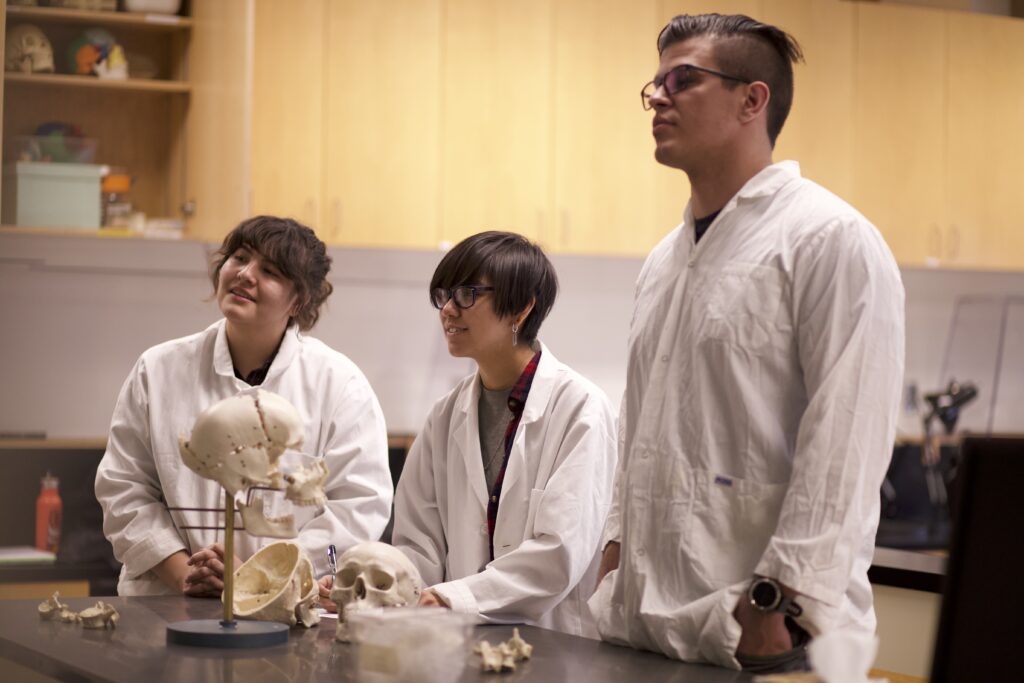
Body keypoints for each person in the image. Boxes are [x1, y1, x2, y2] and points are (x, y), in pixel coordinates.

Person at [588, 13, 905, 673]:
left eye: (684, 79)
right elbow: (640, 421)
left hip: (767, 637)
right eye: (654, 85)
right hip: (650, 624)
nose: (659, 98)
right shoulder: (664, 262)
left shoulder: (829, 240)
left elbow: (846, 438)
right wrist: (615, 551)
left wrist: (779, 603)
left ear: (751, 100)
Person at [333, 231, 615, 637]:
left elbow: (558, 554)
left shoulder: (580, 408)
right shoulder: (445, 416)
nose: (448, 309)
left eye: (467, 294)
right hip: (458, 645)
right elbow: (419, 546)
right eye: (443, 295)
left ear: (521, 306)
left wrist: (453, 598)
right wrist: (377, 586)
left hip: (554, 643)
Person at [95, 215, 393, 596]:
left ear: (299, 300)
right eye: (239, 257)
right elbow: (123, 488)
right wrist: (185, 573)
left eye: (270, 271)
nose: (245, 274)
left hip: (284, 608)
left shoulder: (340, 385)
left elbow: (358, 513)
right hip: (165, 601)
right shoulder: (158, 370)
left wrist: (259, 579)